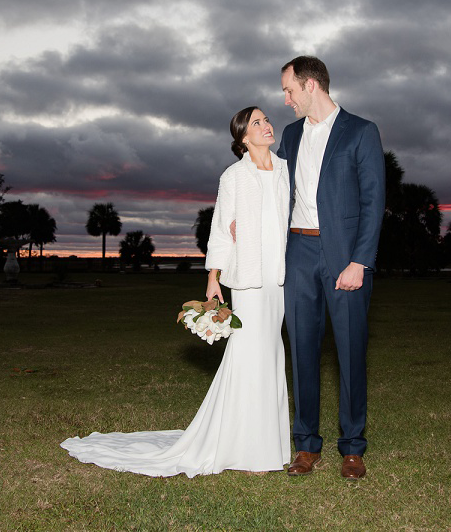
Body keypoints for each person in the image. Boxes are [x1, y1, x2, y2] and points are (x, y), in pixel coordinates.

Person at [60, 107, 291, 477]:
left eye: (266, 119)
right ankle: (247, 450)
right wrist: (213, 278)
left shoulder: (284, 171)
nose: (267, 126)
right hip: (246, 276)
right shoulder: (233, 176)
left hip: (278, 278)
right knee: (249, 356)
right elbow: (220, 230)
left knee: (271, 354)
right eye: (257, 123)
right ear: (243, 138)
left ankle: (271, 445)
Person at [276, 56, 385, 480]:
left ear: (311, 86)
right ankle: (306, 446)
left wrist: (360, 261)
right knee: (302, 347)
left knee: (350, 349)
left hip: (345, 257)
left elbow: (374, 203)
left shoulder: (361, 132)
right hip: (298, 251)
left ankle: (352, 448)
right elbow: (272, 183)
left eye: (288, 90)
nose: (285, 100)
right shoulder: (289, 135)